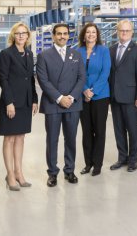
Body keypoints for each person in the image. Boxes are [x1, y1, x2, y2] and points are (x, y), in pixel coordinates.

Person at [36, 23, 85, 187]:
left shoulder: (76, 55)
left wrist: (70, 97)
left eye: (65, 34)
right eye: (59, 34)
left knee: (71, 138)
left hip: (72, 104)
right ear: (53, 36)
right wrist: (59, 98)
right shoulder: (44, 55)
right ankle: (52, 173)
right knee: (52, 139)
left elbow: (81, 78)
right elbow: (43, 80)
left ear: (69, 35)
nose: (62, 36)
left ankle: (69, 170)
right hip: (53, 103)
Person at [0, 22, 38, 191]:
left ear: (28, 36)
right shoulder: (6, 54)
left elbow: (31, 79)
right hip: (12, 102)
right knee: (10, 138)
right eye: (18, 33)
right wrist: (9, 102)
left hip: (26, 102)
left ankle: (19, 173)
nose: (21, 36)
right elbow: (3, 79)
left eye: (24, 33)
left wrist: (34, 99)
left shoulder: (29, 54)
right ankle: (10, 175)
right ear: (13, 36)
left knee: (21, 137)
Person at [109, 19, 137, 172]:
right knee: (118, 129)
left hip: (131, 97)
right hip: (115, 96)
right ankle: (122, 157)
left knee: (132, 129)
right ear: (117, 32)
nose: (123, 33)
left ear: (132, 32)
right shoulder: (111, 49)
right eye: (121, 30)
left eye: (126, 30)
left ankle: (132, 160)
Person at [77, 23, 111, 177]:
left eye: (93, 32)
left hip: (100, 96)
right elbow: (77, 73)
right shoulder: (78, 51)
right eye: (88, 32)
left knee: (99, 130)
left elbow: (105, 72)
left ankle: (97, 164)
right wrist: (84, 90)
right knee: (86, 131)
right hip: (83, 96)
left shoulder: (103, 51)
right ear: (84, 35)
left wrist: (93, 91)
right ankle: (88, 163)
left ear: (97, 35)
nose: (91, 34)